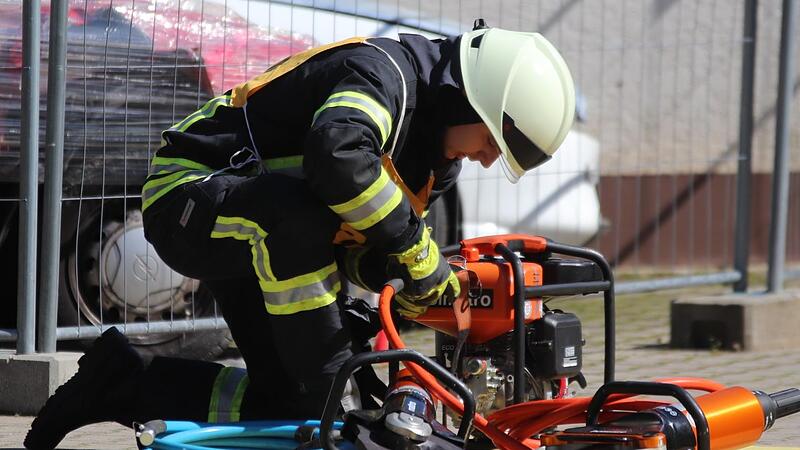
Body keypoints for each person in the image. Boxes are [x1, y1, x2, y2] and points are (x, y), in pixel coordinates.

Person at [24, 20, 575, 449]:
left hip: (270, 236)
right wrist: (413, 249)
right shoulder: (381, 74)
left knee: (287, 402)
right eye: (490, 142)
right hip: (188, 197)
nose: (484, 159)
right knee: (327, 383)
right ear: (467, 99)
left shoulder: (434, 161)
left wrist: (400, 276)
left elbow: (361, 245)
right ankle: (328, 394)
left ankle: (121, 380)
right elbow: (338, 157)